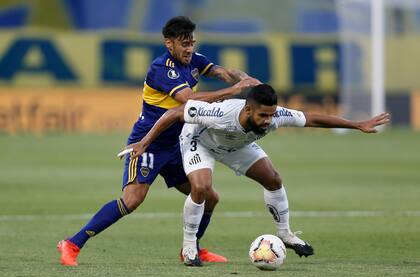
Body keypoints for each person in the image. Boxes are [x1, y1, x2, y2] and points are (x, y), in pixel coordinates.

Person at [57, 16, 260, 266]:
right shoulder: (161, 69)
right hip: (148, 143)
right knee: (132, 200)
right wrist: (234, 90)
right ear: (169, 43)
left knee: (209, 196)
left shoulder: (194, 61)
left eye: (192, 43)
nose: (189, 49)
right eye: (184, 44)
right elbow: (188, 100)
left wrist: (246, 79)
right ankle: (72, 243)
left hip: (177, 145)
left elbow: (224, 72)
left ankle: (192, 249)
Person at [123, 84, 390, 266]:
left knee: (273, 179)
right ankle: (189, 245)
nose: (268, 121)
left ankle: (285, 234)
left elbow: (313, 119)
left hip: (236, 145)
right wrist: (145, 142)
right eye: (263, 115)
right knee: (202, 187)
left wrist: (358, 125)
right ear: (248, 109)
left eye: (271, 115)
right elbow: (175, 112)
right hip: (200, 140)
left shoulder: (274, 116)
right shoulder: (219, 112)